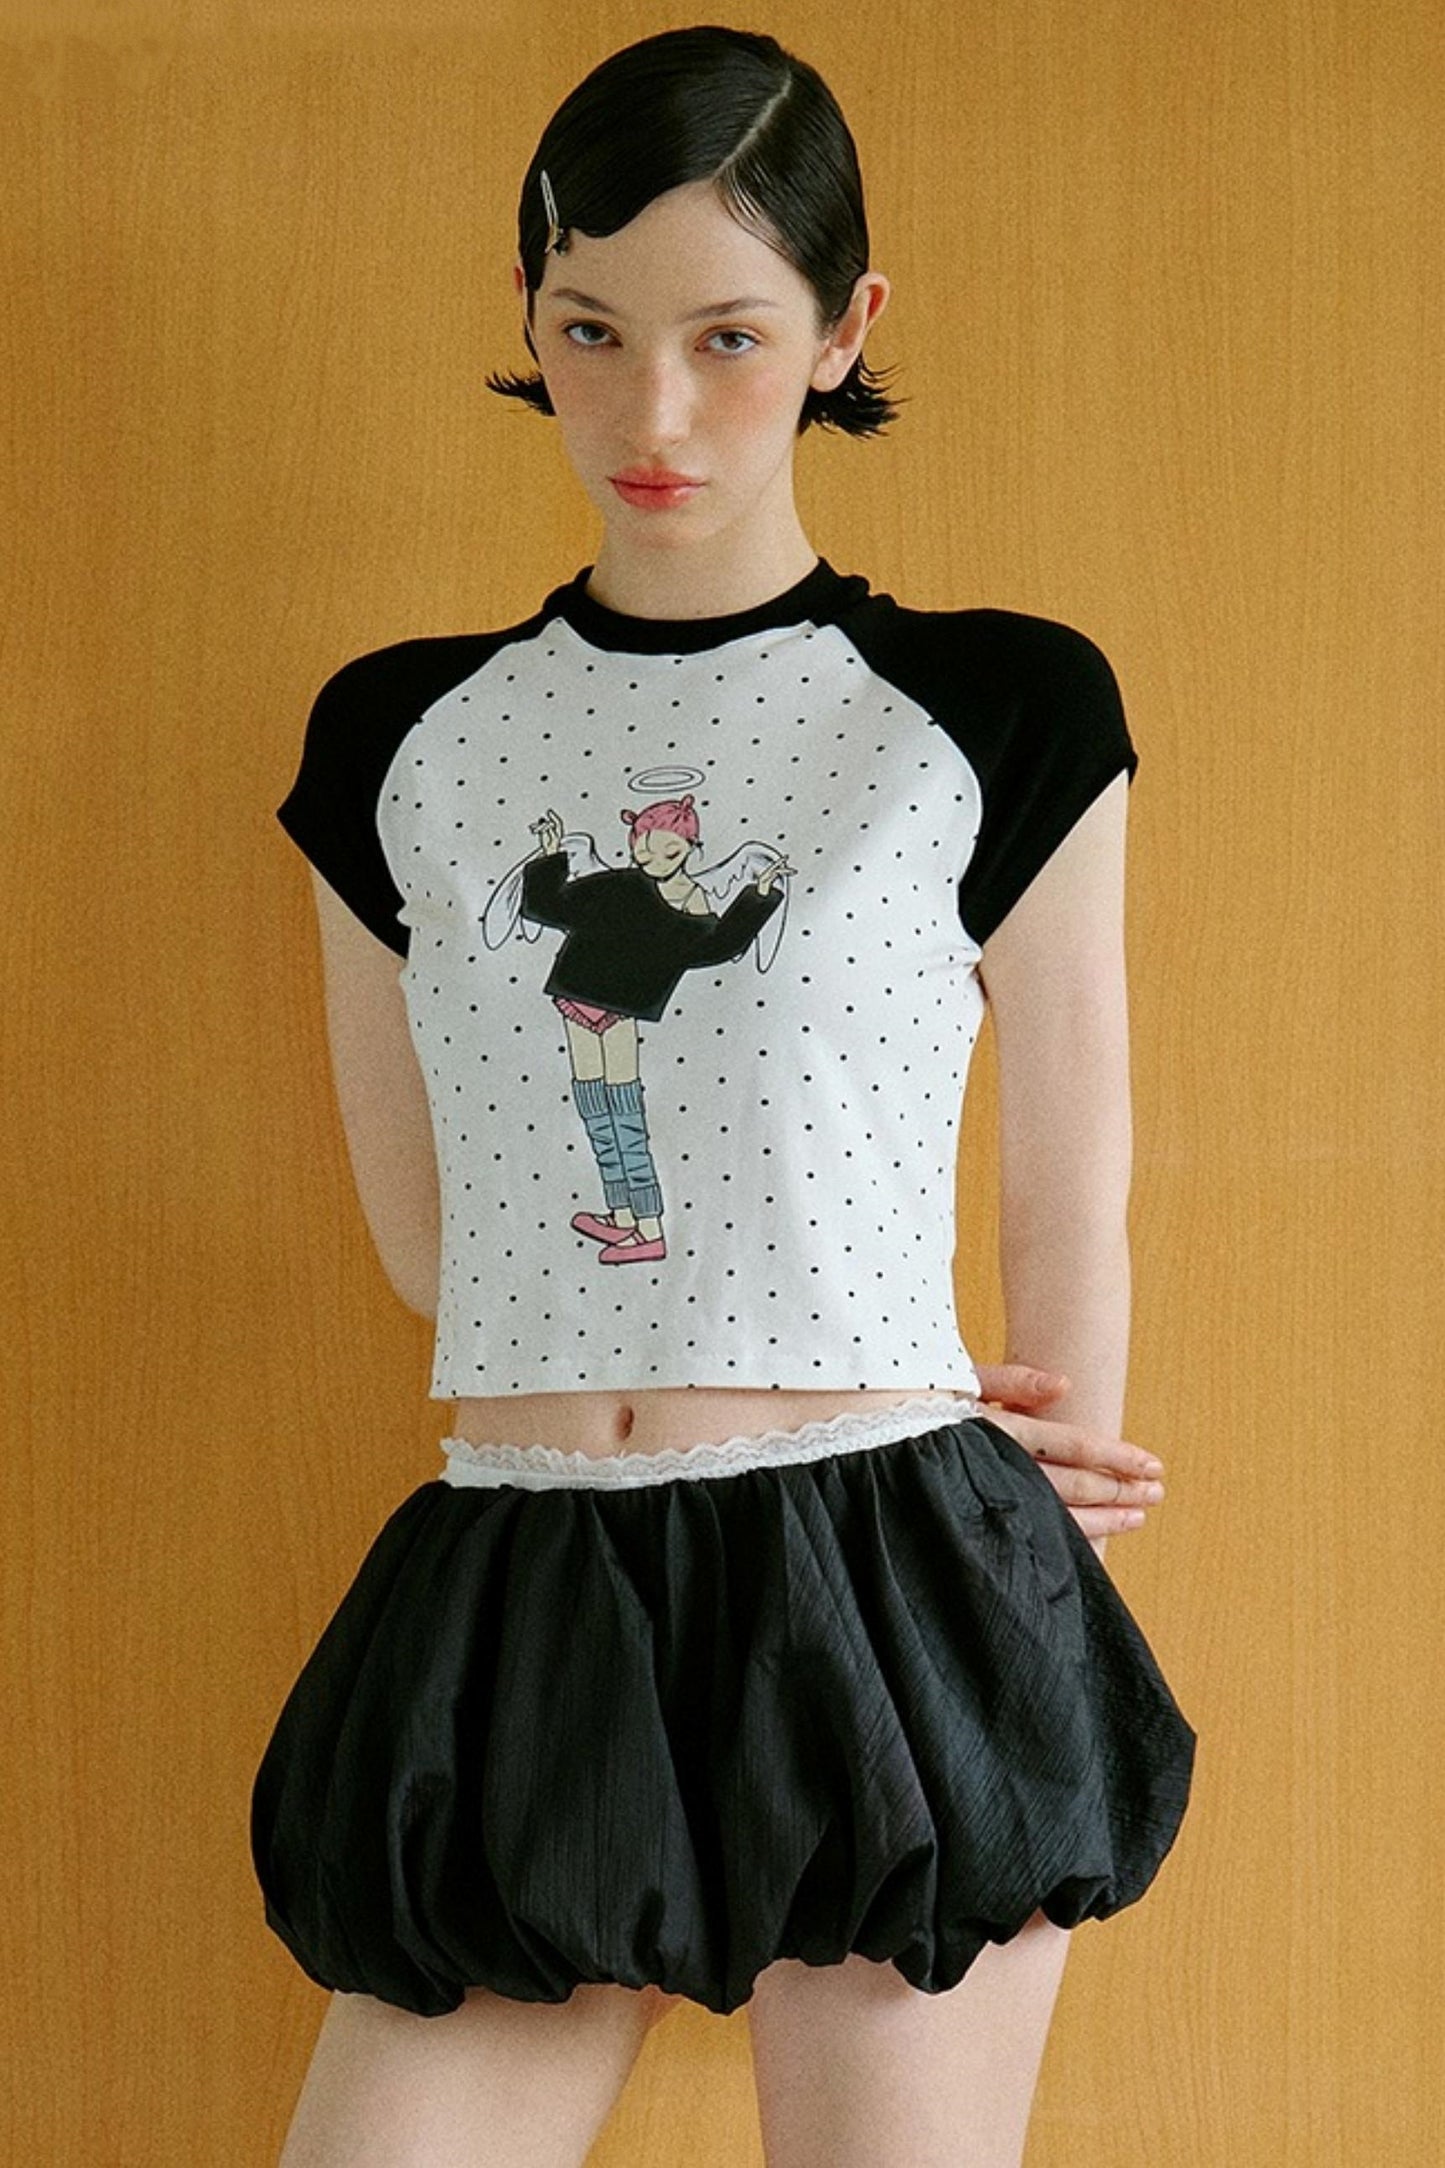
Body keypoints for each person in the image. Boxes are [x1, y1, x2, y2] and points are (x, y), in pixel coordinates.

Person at [250, 24, 1196, 2167]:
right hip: (529, 1563)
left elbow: (1073, 1174)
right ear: (528, 315)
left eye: (728, 337)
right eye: (591, 330)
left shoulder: (992, 703)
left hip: (883, 1558)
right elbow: (431, 1232)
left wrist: (1039, 1503)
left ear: (846, 329)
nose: (652, 413)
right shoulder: (398, 739)